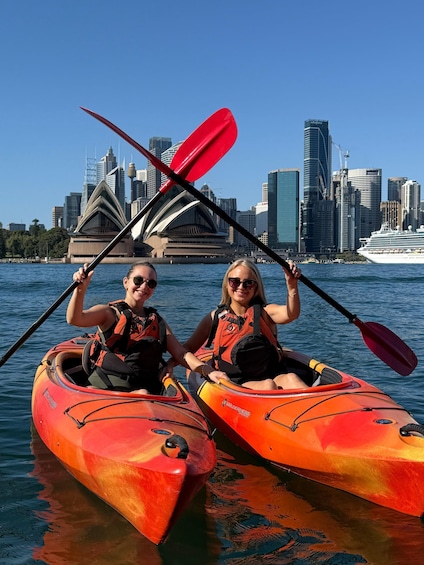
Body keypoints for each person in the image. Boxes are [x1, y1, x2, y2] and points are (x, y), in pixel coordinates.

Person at [66, 260, 227, 393]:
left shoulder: (156, 320)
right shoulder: (109, 313)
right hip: (104, 386)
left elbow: (181, 354)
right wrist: (80, 288)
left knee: (143, 393)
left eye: (151, 283)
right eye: (138, 280)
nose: (144, 286)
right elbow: (75, 319)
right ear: (126, 282)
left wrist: (208, 371)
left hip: (142, 390)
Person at [181, 258, 306, 390]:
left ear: (256, 287)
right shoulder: (215, 318)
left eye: (248, 283)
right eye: (234, 282)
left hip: (273, 375)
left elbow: (291, 314)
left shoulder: (265, 312)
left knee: (291, 378)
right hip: (236, 383)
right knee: (268, 386)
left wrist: (291, 284)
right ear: (226, 284)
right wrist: (171, 365)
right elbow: (186, 349)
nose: (241, 287)